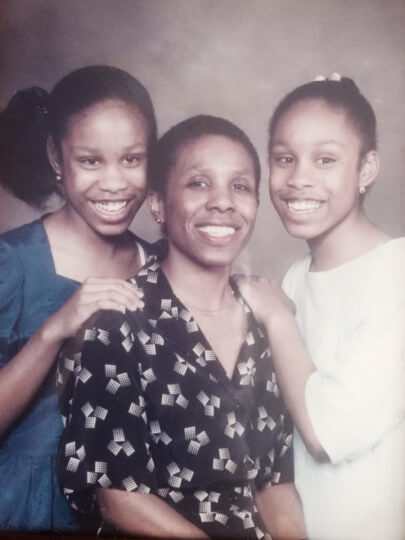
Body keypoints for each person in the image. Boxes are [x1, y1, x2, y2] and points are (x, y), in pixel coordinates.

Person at [57, 115, 306, 539]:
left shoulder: (264, 325)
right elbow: (117, 497)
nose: (223, 202)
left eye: (240, 186)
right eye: (199, 183)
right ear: (157, 203)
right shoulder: (118, 322)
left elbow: (274, 480)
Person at [235, 75, 405, 540]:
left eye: (325, 159)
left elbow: (328, 434)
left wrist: (276, 315)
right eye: (285, 159)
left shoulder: (396, 274)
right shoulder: (296, 276)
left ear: (367, 168)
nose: (299, 178)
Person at [0, 65, 157, 532]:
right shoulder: (14, 263)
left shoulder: (160, 265)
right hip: (28, 511)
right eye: (91, 161)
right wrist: (55, 329)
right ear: (56, 155)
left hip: (132, 511)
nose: (114, 183)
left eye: (132, 159)